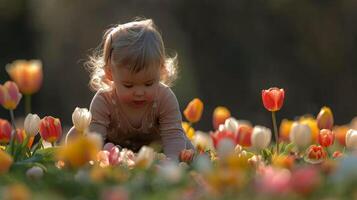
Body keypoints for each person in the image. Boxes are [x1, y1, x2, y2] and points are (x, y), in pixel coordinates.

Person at [67, 18, 194, 160]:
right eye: (128, 85)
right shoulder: (104, 101)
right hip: (116, 152)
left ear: (161, 71)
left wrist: (171, 163)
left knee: (186, 148)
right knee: (78, 134)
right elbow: (96, 139)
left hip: (160, 152)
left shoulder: (164, 98)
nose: (139, 92)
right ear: (110, 74)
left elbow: (173, 135)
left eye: (149, 84)